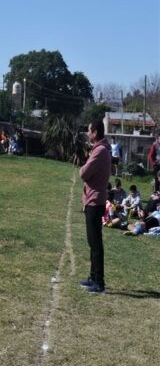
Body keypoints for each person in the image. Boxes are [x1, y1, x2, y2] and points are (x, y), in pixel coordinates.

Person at [78, 117, 110, 294]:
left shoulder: (99, 151)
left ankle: (99, 282)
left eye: (89, 130)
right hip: (94, 200)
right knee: (92, 242)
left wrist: (83, 165)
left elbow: (84, 173)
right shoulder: (100, 150)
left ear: (95, 132)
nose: (88, 133)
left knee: (96, 243)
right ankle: (93, 277)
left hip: (94, 201)